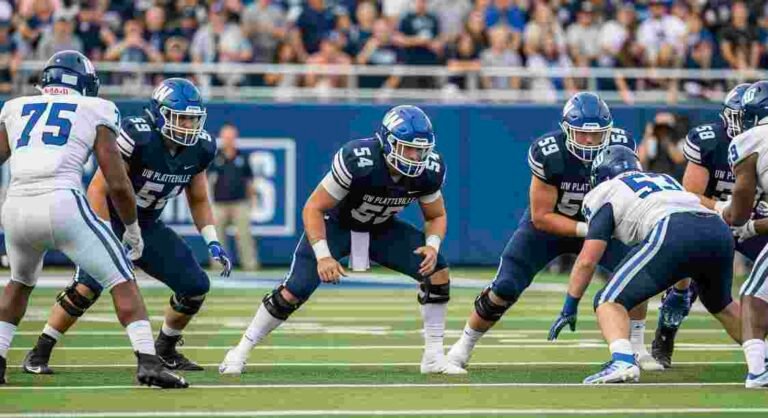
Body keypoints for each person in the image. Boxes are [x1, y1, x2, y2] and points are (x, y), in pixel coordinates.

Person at [219, 105, 465, 375]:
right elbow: (313, 208)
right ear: (387, 142)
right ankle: (240, 350)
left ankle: (433, 357)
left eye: (421, 149)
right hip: (336, 226)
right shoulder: (359, 158)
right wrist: (323, 255)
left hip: (381, 229)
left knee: (438, 272)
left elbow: (436, 215)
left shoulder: (429, 170)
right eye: (408, 148)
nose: (415, 156)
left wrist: (432, 245)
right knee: (293, 291)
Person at [0, 51, 186, 388]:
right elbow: (117, 182)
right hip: (61, 200)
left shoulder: (14, 107)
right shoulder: (95, 108)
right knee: (121, 277)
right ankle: (148, 361)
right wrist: (131, 229)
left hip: (16, 205)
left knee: (20, 281)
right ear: (86, 83)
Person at [21, 78, 232, 375]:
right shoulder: (137, 137)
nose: (188, 125)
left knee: (195, 286)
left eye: (193, 119)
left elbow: (197, 197)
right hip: (109, 218)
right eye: (181, 117)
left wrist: (211, 238)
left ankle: (166, 350)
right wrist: (103, 235)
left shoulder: (200, 148)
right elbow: (98, 189)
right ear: (159, 115)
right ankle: (39, 352)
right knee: (87, 287)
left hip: (147, 224)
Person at [447, 92, 662, 372]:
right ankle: (462, 347)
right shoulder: (550, 153)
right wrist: (591, 229)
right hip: (551, 227)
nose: (589, 140)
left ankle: (636, 347)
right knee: (505, 286)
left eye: (596, 134)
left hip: (603, 225)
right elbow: (541, 217)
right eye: (582, 133)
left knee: (635, 275)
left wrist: (604, 229)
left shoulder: (621, 146)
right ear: (567, 129)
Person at [564, 145, 741, 384]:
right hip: (718, 230)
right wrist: (680, 291)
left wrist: (570, 304)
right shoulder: (665, 179)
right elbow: (689, 230)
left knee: (608, 300)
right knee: (723, 306)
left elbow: (587, 260)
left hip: (673, 228)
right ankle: (761, 355)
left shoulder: (605, 190)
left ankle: (623, 362)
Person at [651, 83, 761, 368]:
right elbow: (689, 197)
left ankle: (759, 349)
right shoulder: (709, 140)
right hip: (709, 219)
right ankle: (667, 328)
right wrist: (722, 209)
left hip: (751, 219)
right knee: (687, 286)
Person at [723, 80, 768, 388]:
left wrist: (733, 219)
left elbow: (738, 212)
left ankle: (757, 371)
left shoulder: (751, 141)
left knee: (753, 294)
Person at [209, 123, 260, 271]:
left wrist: (252, 201)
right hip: (219, 204)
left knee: (244, 236)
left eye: (231, 137)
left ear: (235, 138)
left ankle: (250, 265)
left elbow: (250, 181)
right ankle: (219, 266)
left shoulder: (242, 156)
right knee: (217, 237)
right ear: (221, 138)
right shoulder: (215, 156)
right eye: (226, 137)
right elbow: (207, 180)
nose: (229, 140)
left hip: (240, 203)